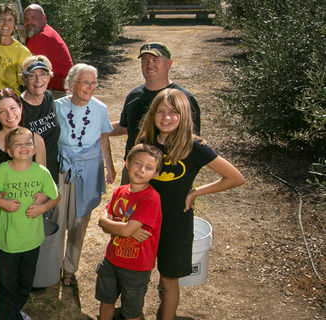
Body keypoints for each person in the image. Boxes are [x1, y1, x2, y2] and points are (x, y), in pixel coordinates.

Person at [136, 89, 244, 320]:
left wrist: (195, 193)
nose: (166, 118)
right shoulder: (146, 142)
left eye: (174, 112)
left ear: (184, 115)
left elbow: (235, 178)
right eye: (161, 111)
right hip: (143, 221)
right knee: (136, 274)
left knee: (168, 279)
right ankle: (132, 313)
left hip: (176, 223)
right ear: (152, 114)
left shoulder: (195, 146)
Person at [0, 127, 59, 320]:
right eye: (17, 144)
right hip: (5, 242)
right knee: (6, 285)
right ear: (9, 151)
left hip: (31, 241)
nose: (24, 147)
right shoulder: (2, 171)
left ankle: (13, 313)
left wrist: (42, 208)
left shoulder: (41, 172)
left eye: (28, 143)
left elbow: (55, 196)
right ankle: (5, 315)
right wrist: (2, 202)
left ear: (34, 148)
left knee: (25, 283)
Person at [54, 63, 116, 287]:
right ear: (71, 85)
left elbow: (103, 138)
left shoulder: (99, 108)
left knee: (80, 220)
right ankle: (52, 266)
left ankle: (70, 268)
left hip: (89, 169)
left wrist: (109, 167)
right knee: (57, 216)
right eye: (84, 82)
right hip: (62, 166)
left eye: (93, 82)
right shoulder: (56, 106)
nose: (90, 87)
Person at [111, 42, 201, 185]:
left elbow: (192, 141)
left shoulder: (182, 99)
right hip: (135, 174)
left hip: (170, 176)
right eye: (145, 61)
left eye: (156, 60)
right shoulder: (134, 96)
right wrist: (95, 128)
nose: (149, 65)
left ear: (169, 64)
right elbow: (125, 127)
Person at [95, 144, 164, 320]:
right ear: (127, 163)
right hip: (111, 259)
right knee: (106, 301)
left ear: (155, 174)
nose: (141, 170)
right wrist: (120, 226)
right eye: (137, 164)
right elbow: (103, 221)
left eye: (148, 168)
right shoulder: (120, 191)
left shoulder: (151, 198)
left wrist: (115, 225)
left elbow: (120, 228)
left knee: (131, 311)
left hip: (136, 267)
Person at [0, 88, 47, 184]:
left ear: (20, 109)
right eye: (2, 111)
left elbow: (43, 180)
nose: (10, 115)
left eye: (13, 108)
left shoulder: (37, 140)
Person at [19, 55, 61, 183]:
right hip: (28, 176)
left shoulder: (48, 97)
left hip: (51, 171)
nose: (38, 80)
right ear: (25, 80)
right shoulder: (18, 107)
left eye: (43, 74)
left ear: (49, 77)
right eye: (32, 75)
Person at [22, 4, 73, 100]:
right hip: (58, 88)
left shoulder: (43, 36)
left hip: (57, 93)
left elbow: (21, 64)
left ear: (43, 18)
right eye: (26, 19)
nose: (29, 22)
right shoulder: (43, 31)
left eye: (33, 18)